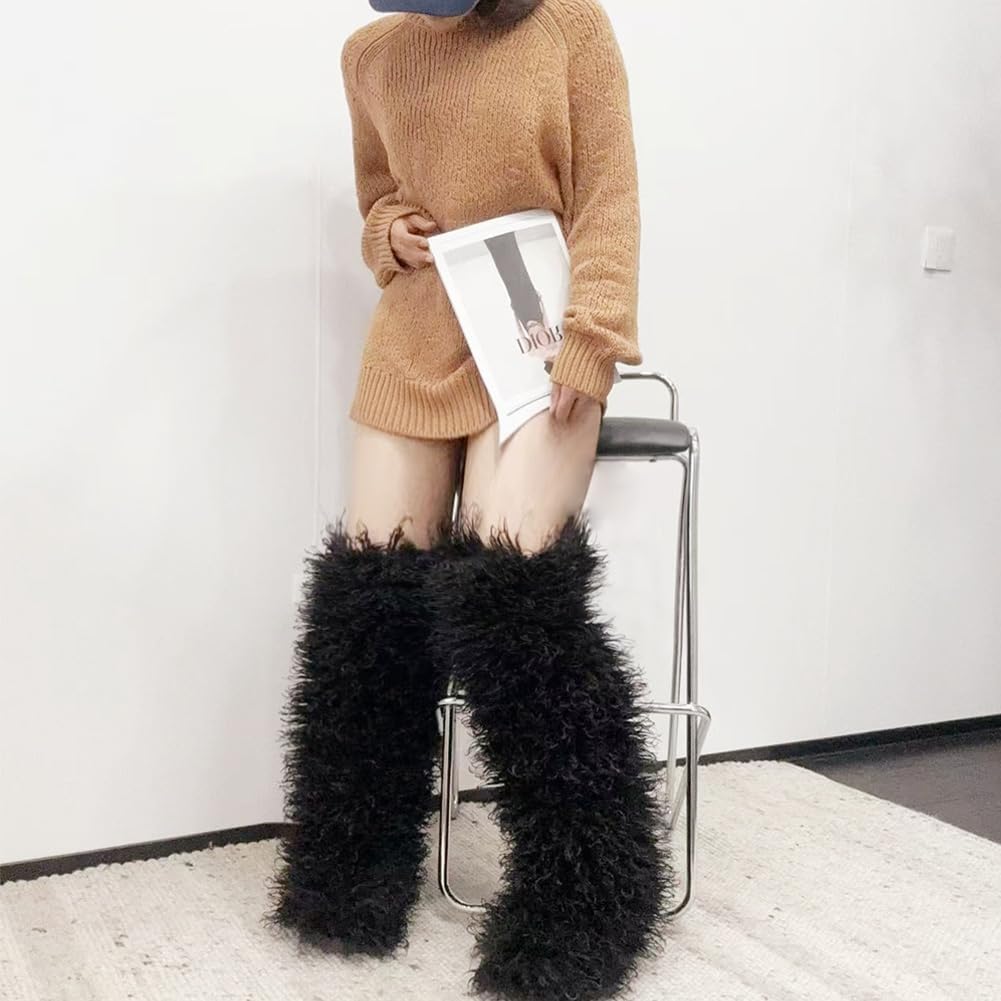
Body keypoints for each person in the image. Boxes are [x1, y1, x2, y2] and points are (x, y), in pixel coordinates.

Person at [264, 2, 674, 1000]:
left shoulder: (567, 25)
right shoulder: (371, 52)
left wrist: (594, 334)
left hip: (537, 333)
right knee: (371, 598)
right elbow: (380, 197)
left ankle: (590, 887)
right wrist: (388, 232)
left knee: (510, 590)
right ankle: (350, 868)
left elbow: (608, 196)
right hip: (418, 328)